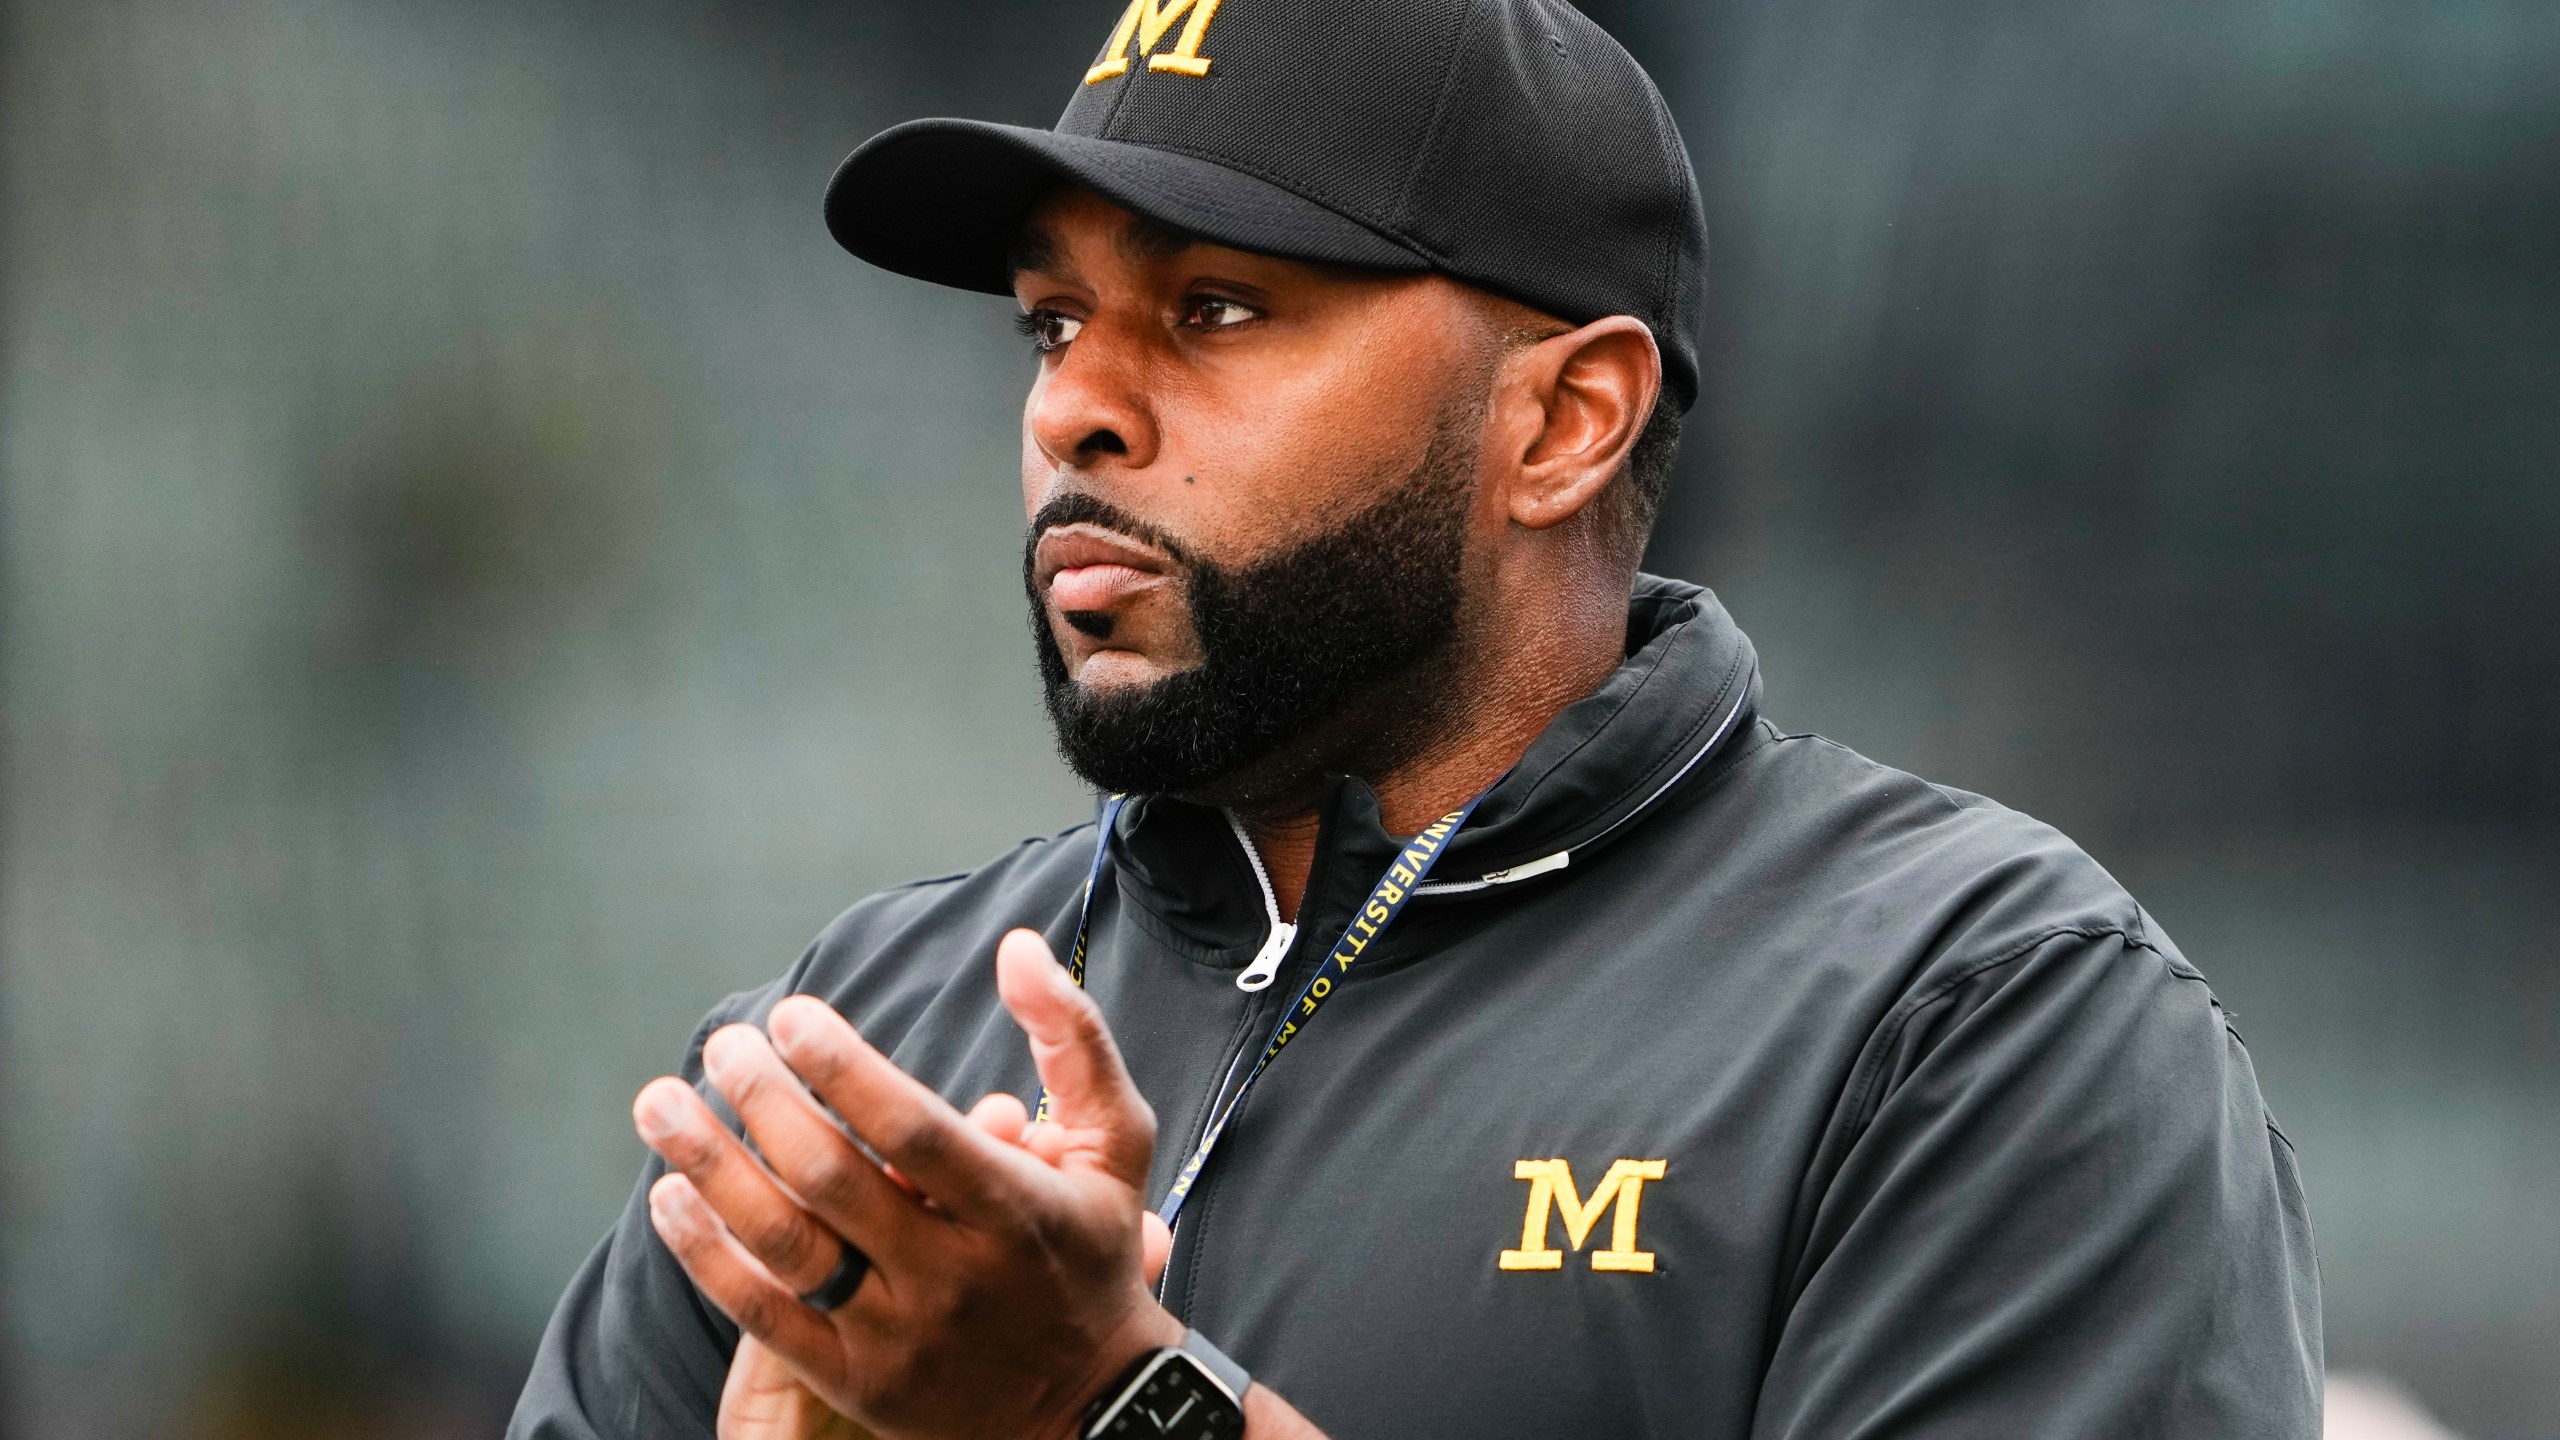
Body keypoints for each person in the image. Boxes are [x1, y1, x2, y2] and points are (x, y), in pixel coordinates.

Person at [509, 1, 2324, 1436]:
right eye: (1051, 323)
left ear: (1565, 424)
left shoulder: (1977, 1019)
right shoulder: (857, 1047)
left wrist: (1108, 1407)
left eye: (1215, 308)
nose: (1075, 410)